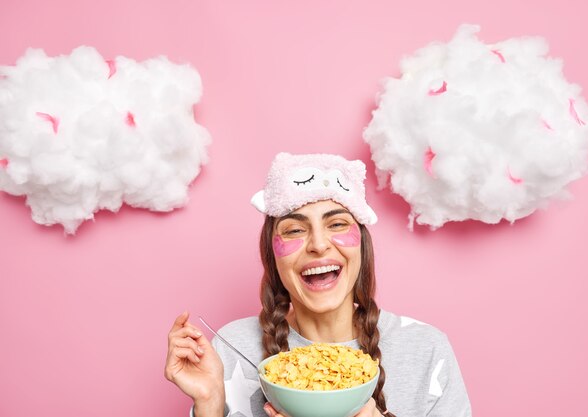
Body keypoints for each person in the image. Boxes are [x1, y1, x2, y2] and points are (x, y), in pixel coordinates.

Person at [164, 153, 472, 417]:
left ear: (361, 246)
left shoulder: (425, 350)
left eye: (337, 224)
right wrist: (209, 402)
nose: (318, 244)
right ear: (273, 255)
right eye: (295, 229)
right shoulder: (231, 350)